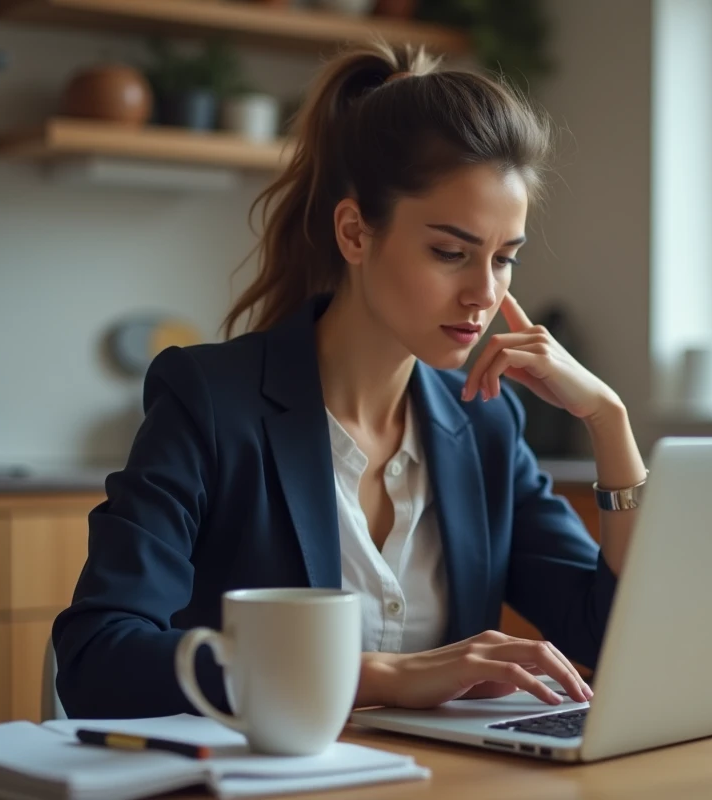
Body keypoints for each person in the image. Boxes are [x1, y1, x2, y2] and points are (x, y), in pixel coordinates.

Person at [52, 40, 648, 719]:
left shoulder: (485, 421)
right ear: (356, 234)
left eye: (505, 259)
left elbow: (609, 633)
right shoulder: (211, 401)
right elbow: (99, 656)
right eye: (450, 253)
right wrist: (379, 675)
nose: (483, 293)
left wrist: (609, 422)